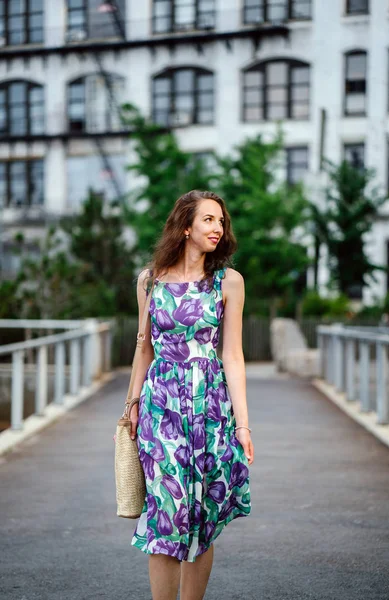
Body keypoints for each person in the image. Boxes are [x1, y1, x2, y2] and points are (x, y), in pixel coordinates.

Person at [127, 190, 254, 600]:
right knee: (165, 513)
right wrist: (131, 404)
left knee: (201, 515)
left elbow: (232, 355)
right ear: (185, 227)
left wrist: (243, 424)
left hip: (211, 408)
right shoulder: (150, 281)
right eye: (208, 220)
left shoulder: (228, 282)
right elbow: (143, 346)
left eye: (221, 221)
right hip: (160, 406)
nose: (218, 228)